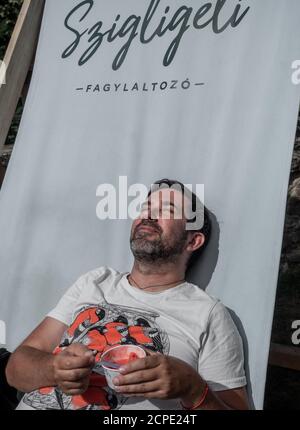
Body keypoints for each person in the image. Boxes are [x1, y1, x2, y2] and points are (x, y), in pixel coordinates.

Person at [6, 179, 249, 410]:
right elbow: (15, 369)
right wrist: (54, 369)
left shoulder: (208, 314)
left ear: (193, 241)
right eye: (145, 207)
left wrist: (193, 389)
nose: (148, 215)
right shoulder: (95, 282)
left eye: (168, 209)